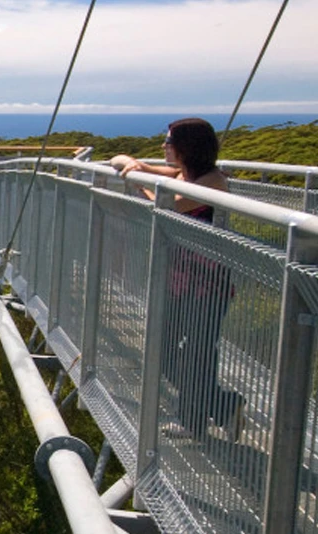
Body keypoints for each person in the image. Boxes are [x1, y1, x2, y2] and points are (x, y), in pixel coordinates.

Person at [113, 117, 245, 442]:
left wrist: (136, 183)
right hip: (179, 281)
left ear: (188, 146)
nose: (164, 147)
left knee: (199, 352)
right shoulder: (183, 175)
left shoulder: (212, 181)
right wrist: (129, 165)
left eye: (169, 142)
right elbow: (125, 161)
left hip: (208, 284)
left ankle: (192, 421)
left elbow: (169, 206)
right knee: (167, 352)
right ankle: (224, 404)